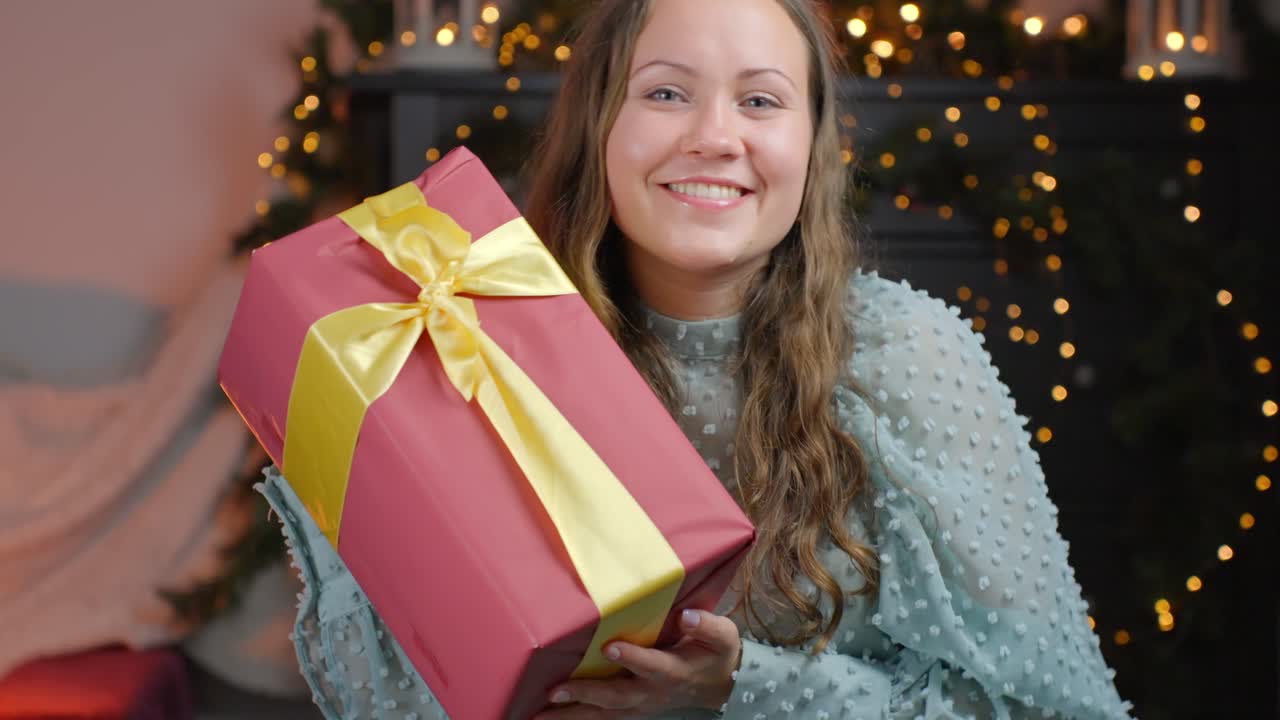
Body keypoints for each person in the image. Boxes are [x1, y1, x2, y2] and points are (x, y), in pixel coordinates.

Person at [258, 0, 1134, 717]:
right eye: (667, 94)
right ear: (600, 124)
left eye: (760, 101)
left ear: (813, 144)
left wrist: (742, 690)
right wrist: (353, 460)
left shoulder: (908, 356)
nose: (716, 137)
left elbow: (1045, 710)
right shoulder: (465, 353)